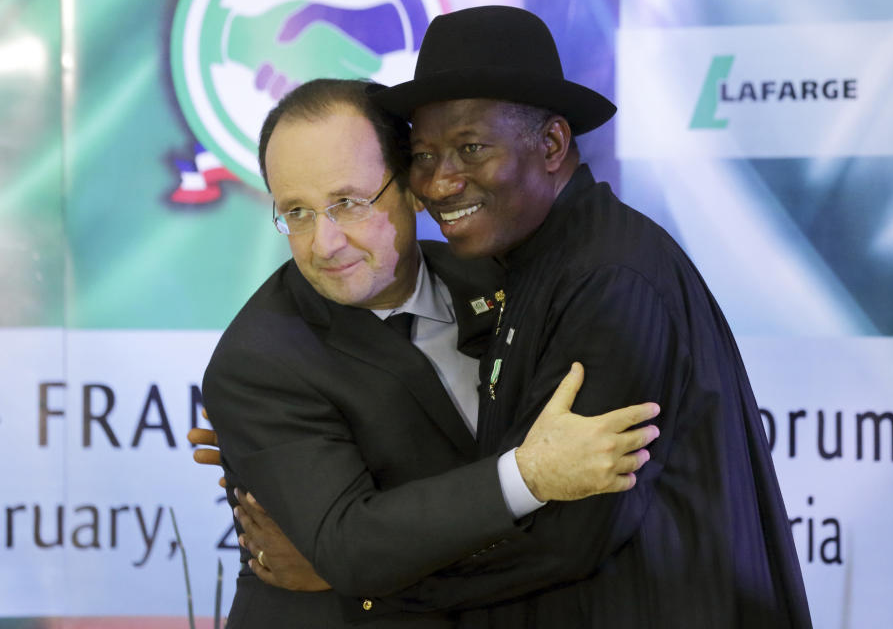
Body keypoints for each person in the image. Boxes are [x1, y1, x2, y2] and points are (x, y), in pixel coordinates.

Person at [340, 4, 810, 628]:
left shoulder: (609, 281)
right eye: (423, 156)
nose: (440, 182)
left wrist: (359, 584)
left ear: (553, 144)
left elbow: (564, 535)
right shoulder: (536, 260)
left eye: (470, 148)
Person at [198, 78, 661, 628]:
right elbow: (351, 546)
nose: (324, 244)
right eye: (296, 212)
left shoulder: (503, 278)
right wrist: (529, 474)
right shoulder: (258, 360)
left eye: (348, 203)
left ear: (414, 188)